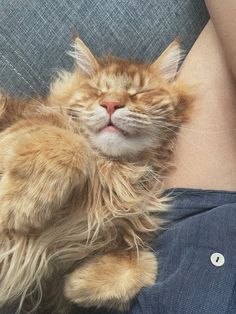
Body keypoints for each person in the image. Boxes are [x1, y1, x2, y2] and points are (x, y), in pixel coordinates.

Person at [2, 0, 235, 313]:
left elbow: (70, 287)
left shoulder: (141, 218)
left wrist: (127, 266)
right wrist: (58, 153)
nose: (112, 102)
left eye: (142, 95)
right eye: (97, 92)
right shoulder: (51, 126)